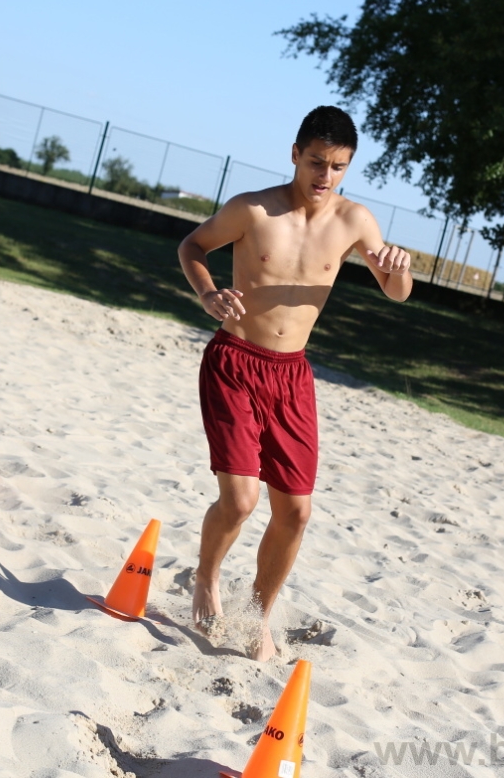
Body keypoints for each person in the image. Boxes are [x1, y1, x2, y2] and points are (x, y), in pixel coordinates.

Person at [177, 105, 412, 660]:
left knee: (296, 512)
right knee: (239, 502)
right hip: (235, 360)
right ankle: (206, 576)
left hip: (293, 376)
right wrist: (208, 293)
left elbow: (395, 290)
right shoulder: (252, 210)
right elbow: (191, 247)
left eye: (336, 166)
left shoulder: (355, 222)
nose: (323, 176)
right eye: (314, 162)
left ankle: (259, 613)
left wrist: (399, 267)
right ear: (294, 154)